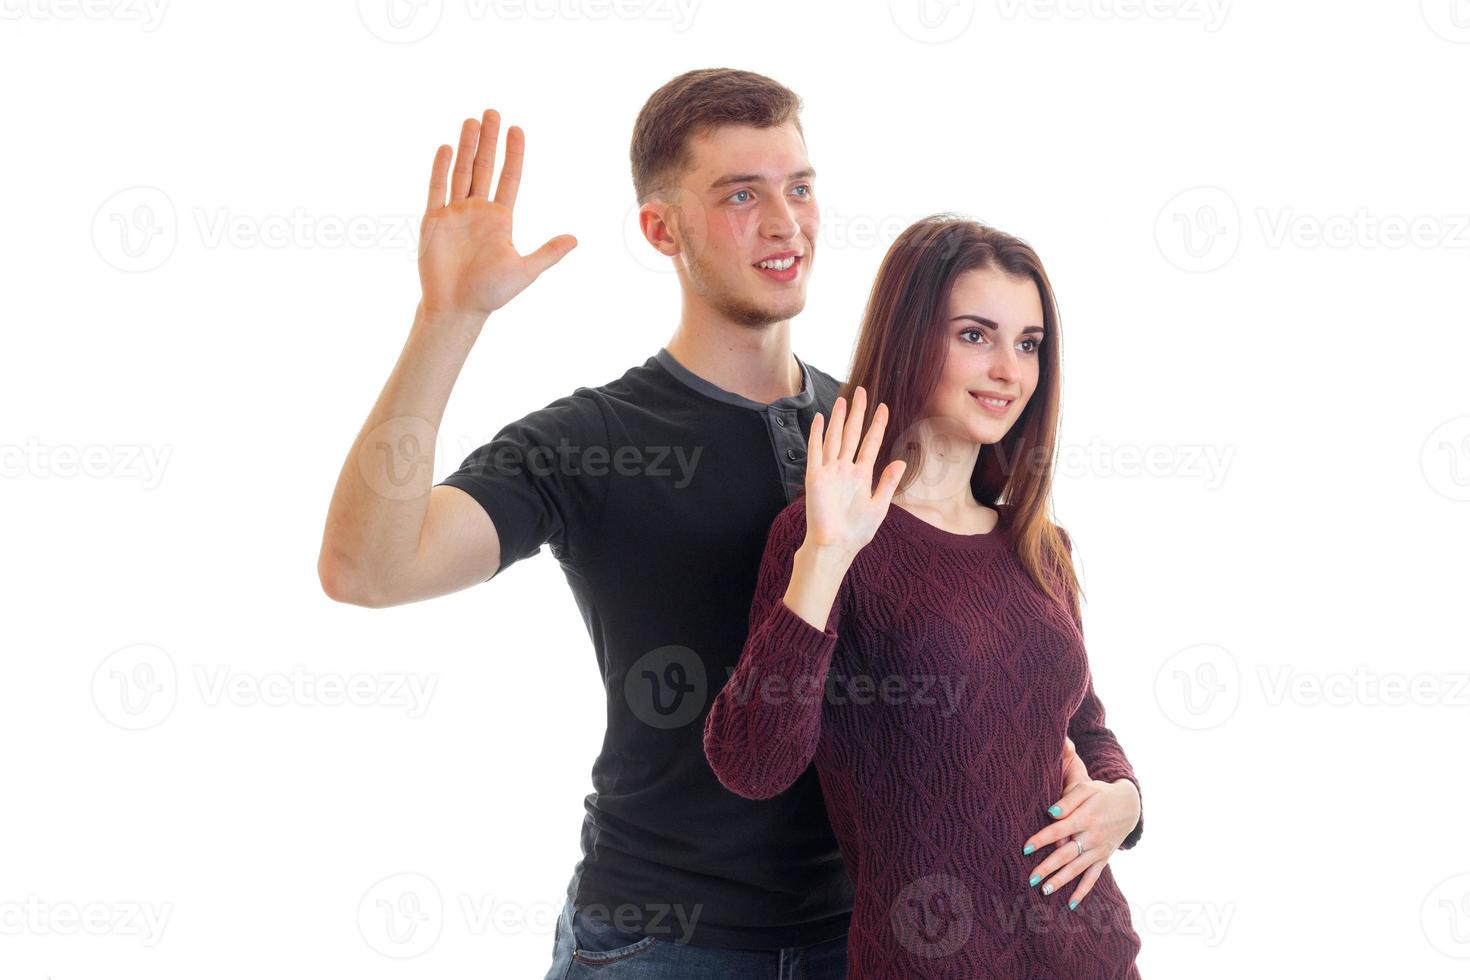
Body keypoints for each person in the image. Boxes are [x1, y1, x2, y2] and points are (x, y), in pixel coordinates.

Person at [319, 68, 856, 977]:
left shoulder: (868, 427)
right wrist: (447, 319)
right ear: (660, 228)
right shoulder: (594, 440)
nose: (784, 222)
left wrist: (1104, 783)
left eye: (799, 187)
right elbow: (368, 570)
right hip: (661, 945)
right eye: (741, 194)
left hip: (858, 937)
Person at [704, 216, 1146, 978]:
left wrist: (1125, 803)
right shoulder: (823, 535)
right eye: (976, 335)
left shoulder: (1040, 545)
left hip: (1093, 955)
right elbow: (752, 764)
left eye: (1029, 343)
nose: (1009, 369)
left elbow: (1081, 722)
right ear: (912, 338)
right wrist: (825, 555)